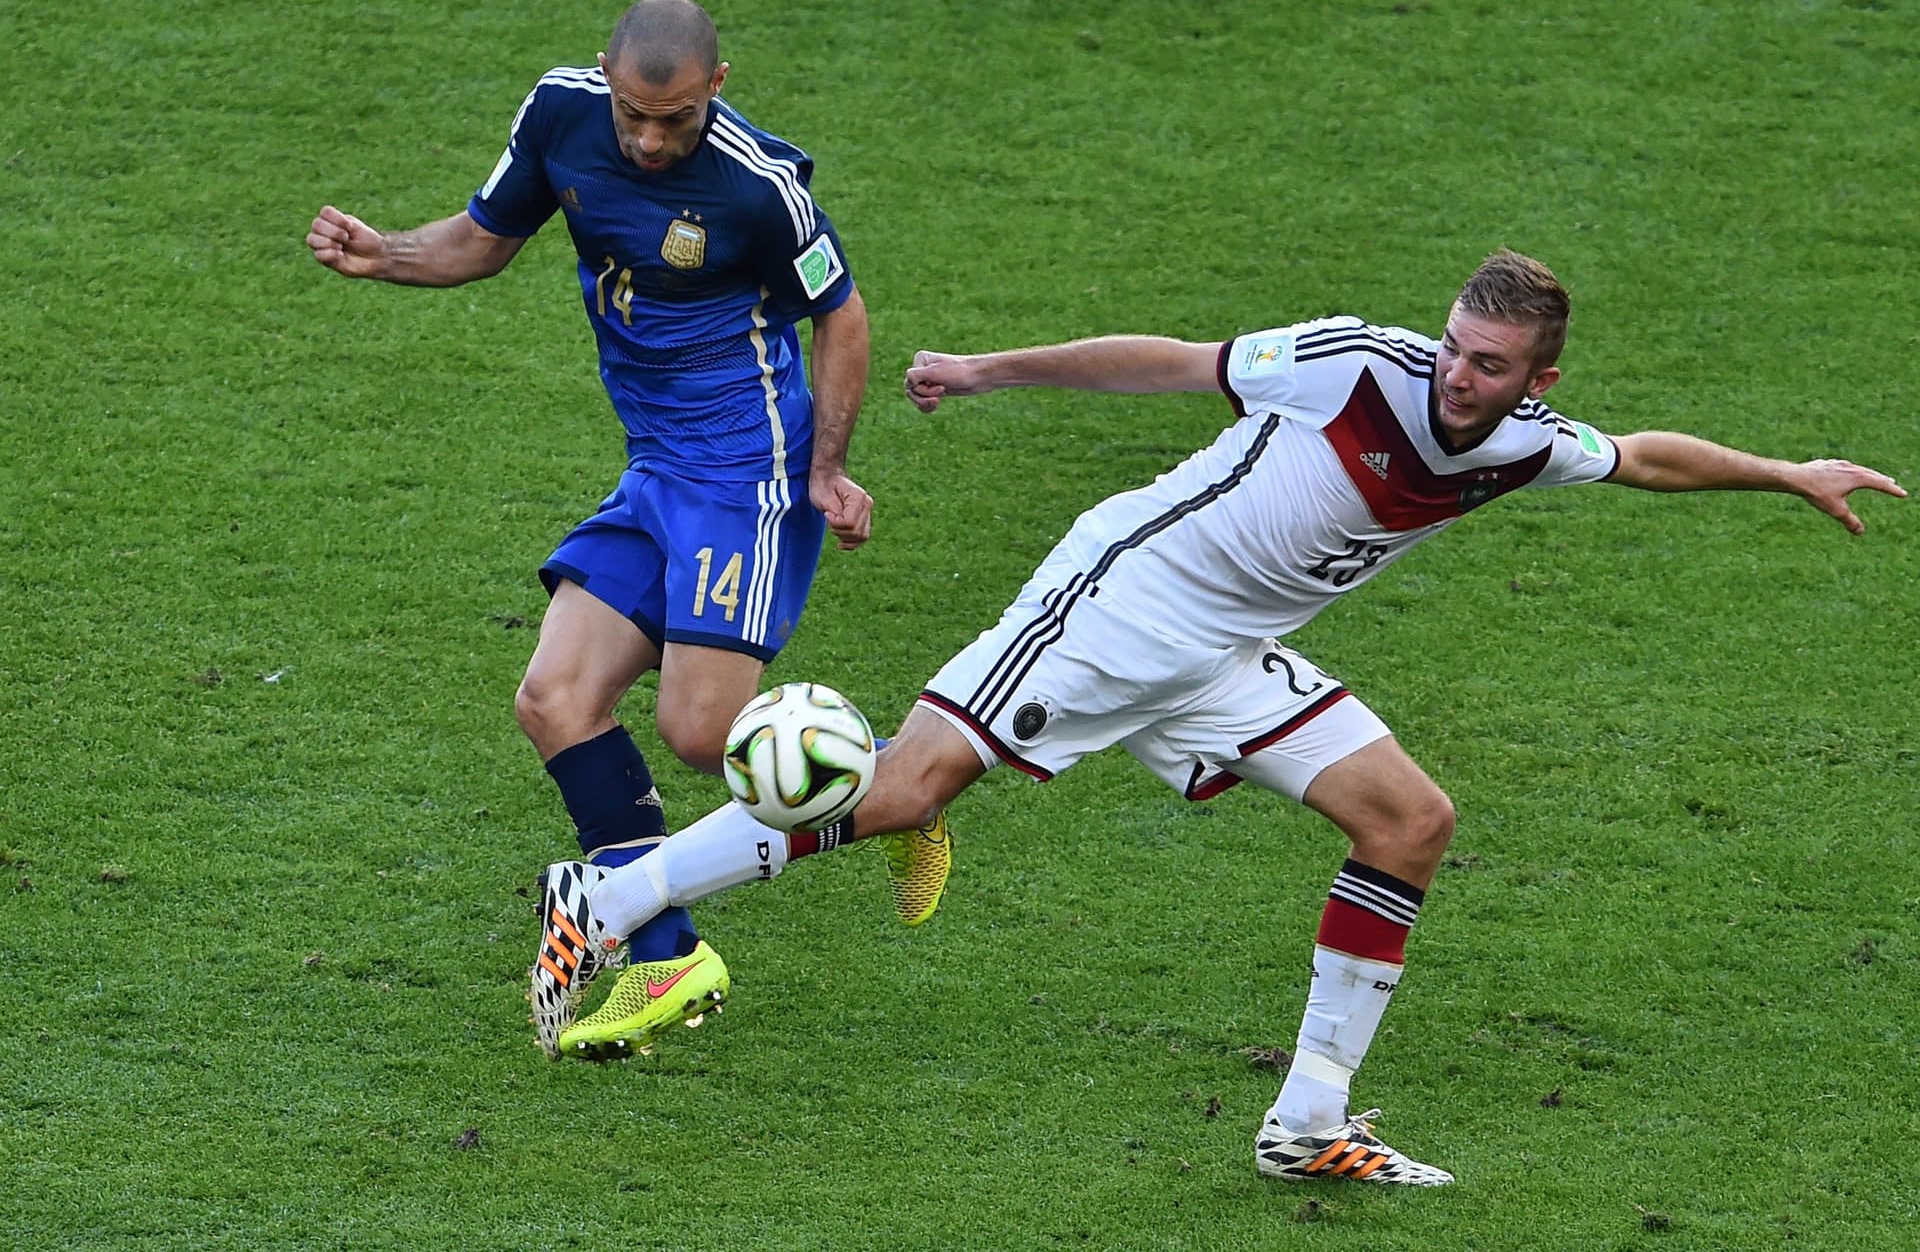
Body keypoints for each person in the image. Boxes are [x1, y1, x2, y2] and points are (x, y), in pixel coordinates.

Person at [526, 249, 1904, 1177]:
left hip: (1230, 649)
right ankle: (612, 894)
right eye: (1454, 349)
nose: (1456, 378)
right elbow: (1173, 362)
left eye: (1489, 368)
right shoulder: (1357, 363)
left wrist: (1786, 471)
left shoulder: (1533, 442)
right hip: (1121, 597)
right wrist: (989, 369)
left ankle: (1308, 1123)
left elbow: (1647, 457)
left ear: (1537, 380)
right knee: (900, 792)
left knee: (1410, 821)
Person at [304, 0, 950, 1059]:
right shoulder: (560, 113)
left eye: (678, 120)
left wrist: (829, 469)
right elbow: (480, 238)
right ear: (605, 75)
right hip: (657, 464)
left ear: (718, 87)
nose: (652, 141)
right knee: (554, 696)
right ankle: (667, 953)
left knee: (707, 739)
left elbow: (843, 313)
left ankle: (901, 788)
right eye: (635, 116)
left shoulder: (758, 188)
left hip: (749, 469)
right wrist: (391, 254)